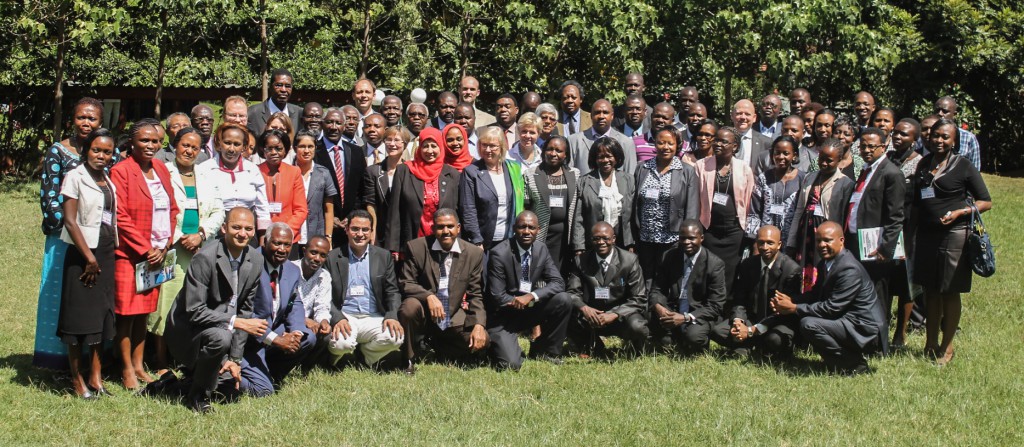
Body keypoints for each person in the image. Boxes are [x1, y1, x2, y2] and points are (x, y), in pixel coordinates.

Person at [162, 207, 270, 413]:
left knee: (229, 391)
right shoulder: (205, 257)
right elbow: (194, 311)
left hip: (220, 330)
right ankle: (197, 397)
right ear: (223, 228)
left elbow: (245, 310)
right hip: (187, 331)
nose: (242, 233)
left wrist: (235, 360)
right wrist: (235, 322)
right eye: (236, 227)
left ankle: (169, 385)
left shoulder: (256, 260)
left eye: (248, 228)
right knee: (221, 338)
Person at [913, 118, 992, 366]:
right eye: (935, 135)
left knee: (949, 290)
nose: (939, 140)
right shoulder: (924, 163)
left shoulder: (963, 165)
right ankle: (930, 343)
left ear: (954, 140)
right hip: (927, 234)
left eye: (945, 137)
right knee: (930, 290)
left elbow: (985, 201)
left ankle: (947, 348)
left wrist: (960, 213)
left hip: (954, 234)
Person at [148, 127, 224, 373]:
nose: (189, 151)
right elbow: (158, 209)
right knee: (165, 302)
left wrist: (201, 234)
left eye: (195, 147)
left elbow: (219, 211)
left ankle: (184, 357)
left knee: (192, 303)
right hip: (171, 248)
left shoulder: (206, 175)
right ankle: (160, 361)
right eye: (185, 145)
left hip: (200, 249)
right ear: (175, 145)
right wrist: (182, 237)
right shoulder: (162, 172)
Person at [111, 119, 180, 389]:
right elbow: (120, 216)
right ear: (132, 142)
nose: (151, 146)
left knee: (144, 313)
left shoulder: (161, 168)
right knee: (127, 314)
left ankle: (140, 366)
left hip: (158, 254)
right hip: (131, 255)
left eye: (155, 141)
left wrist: (164, 246)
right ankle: (126, 368)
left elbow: (173, 208)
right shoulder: (121, 171)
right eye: (145, 141)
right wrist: (145, 248)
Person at [35, 97, 103, 370]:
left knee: (89, 297)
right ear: (72, 120)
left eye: (92, 119)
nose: (86, 123)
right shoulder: (58, 152)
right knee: (60, 295)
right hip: (65, 238)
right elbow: (50, 199)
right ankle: (55, 359)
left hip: (98, 238)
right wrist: (74, 234)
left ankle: (94, 359)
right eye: (81, 117)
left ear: (101, 122)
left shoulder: (106, 151)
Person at [770, 222, 887, 375]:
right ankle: (841, 361)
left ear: (841, 241)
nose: (822, 245)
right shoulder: (825, 263)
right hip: (849, 320)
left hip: (865, 329)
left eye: (827, 240)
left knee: (809, 324)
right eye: (818, 240)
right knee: (808, 320)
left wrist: (794, 308)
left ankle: (854, 364)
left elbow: (832, 308)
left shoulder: (848, 269)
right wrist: (791, 300)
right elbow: (816, 295)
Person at [58, 128, 118, 398]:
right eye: (96, 150)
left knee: (100, 315)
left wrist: (101, 255)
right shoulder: (75, 176)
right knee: (78, 317)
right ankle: (76, 379)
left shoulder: (107, 178)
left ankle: (96, 377)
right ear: (86, 150)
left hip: (105, 251)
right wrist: (89, 258)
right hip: (83, 255)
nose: (101, 156)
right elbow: (70, 221)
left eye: (107, 151)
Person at [397, 209, 488, 373]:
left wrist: (479, 324)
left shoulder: (473, 254)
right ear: (433, 229)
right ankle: (408, 359)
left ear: (458, 228)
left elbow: (476, 294)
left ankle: (441, 347)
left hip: (452, 314)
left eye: (450, 226)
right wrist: (428, 296)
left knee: (482, 341)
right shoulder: (417, 247)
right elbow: (406, 282)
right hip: (424, 312)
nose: (445, 231)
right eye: (440, 227)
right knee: (409, 307)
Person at [485, 212, 573, 370]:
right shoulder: (499, 253)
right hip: (503, 317)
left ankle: (545, 351)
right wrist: (519, 301)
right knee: (511, 365)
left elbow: (558, 282)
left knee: (563, 300)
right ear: (514, 229)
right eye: (522, 227)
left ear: (538, 230)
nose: (526, 231)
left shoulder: (541, 249)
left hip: (527, 309)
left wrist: (531, 296)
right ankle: (495, 346)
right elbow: (497, 296)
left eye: (531, 228)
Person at [845, 127, 905, 340]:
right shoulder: (866, 169)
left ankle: (879, 340)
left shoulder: (891, 173)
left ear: (884, 146)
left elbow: (896, 215)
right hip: (856, 240)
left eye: (872, 146)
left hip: (876, 246)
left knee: (878, 293)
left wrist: (886, 248)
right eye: (863, 146)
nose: (867, 150)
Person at [324, 211, 404, 368]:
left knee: (395, 338)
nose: (360, 234)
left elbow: (392, 291)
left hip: (373, 316)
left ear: (371, 231)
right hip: (346, 316)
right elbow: (324, 296)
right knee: (341, 345)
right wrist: (337, 318)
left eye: (365, 229)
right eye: (355, 229)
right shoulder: (333, 257)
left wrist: (392, 315)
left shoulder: (383, 256)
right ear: (346, 230)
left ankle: (362, 357)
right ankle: (338, 358)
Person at [242, 223, 314, 394]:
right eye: (277, 243)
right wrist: (274, 338)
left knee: (307, 337)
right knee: (263, 392)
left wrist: (296, 331)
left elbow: (294, 302)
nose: (282, 249)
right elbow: (243, 312)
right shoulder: (249, 264)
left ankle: (271, 373)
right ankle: (221, 378)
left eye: (287, 245)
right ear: (265, 242)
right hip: (246, 340)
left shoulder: (292, 270)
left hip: (271, 328)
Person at [713, 225, 803, 358]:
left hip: (777, 322)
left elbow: (783, 312)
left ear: (779, 245)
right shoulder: (747, 265)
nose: (765, 247)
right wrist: (739, 321)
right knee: (717, 331)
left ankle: (754, 344)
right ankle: (748, 345)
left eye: (770, 243)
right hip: (752, 318)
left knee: (775, 339)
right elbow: (740, 298)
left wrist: (750, 331)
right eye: (761, 242)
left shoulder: (791, 270)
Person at [565, 222, 648, 356]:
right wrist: (585, 308)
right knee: (564, 311)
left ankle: (635, 349)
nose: (601, 242)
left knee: (637, 326)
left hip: (620, 316)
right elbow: (572, 293)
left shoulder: (630, 260)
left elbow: (639, 298)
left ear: (613, 239)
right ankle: (594, 347)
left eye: (606, 238)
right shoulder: (580, 261)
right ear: (591, 240)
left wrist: (614, 314)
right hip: (592, 317)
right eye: (596, 238)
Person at [648, 220, 727, 354]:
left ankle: (690, 340)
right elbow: (657, 289)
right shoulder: (669, 256)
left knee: (693, 337)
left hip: (697, 314)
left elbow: (716, 305)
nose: (686, 242)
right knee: (647, 317)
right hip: (673, 309)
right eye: (682, 238)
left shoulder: (714, 264)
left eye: (691, 238)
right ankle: (671, 339)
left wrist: (685, 317)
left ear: (701, 238)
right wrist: (659, 307)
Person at [786, 139, 854, 292]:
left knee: (822, 271)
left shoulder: (845, 183)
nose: (823, 163)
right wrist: (791, 240)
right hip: (806, 234)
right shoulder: (809, 178)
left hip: (825, 234)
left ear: (838, 160)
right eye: (821, 159)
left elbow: (843, 218)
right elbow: (799, 210)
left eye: (829, 161)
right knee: (802, 271)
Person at [633, 127, 700, 279]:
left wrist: (688, 235)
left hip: (672, 236)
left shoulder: (686, 171)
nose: (665, 147)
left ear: (678, 145)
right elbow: (635, 203)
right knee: (646, 274)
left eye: (670, 143)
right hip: (645, 236)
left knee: (668, 275)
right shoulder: (642, 168)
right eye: (661, 143)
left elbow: (692, 207)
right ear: (655, 145)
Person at [695, 127, 755, 291]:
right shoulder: (701, 166)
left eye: (724, 141)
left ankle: (725, 310)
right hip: (709, 230)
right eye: (717, 140)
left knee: (730, 273)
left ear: (734, 146)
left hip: (734, 232)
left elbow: (749, 201)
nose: (718, 144)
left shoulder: (744, 169)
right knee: (708, 271)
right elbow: (696, 199)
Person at [386, 128, 461, 255]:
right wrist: (394, 247)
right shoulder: (404, 171)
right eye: (425, 146)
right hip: (412, 240)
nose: (430, 151)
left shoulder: (452, 174)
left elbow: (458, 210)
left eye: (434, 146)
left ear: (441, 147)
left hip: (444, 241)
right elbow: (395, 212)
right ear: (419, 148)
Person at [198, 123, 271, 237]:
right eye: (227, 143)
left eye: (237, 144)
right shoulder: (204, 169)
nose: (231, 149)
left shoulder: (252, 170)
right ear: (219, 143)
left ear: (244, 146)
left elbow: (262, 207)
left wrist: (263, 236)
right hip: (215, 231)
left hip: (246, 233)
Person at [888, 118, 924, 347]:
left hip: (908, 229)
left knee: (905, 283)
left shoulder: (919, 163)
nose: (898, 137)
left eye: (905, 134)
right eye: (896, 133)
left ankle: (900, 333)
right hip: (885, 226)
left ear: (915, 139)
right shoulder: (888, 158)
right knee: (885, 279)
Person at [459, 126, 525, 250]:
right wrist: (476, 240)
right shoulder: (471, 172)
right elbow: (468, 209)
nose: (488, 149)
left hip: (509, 239)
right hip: (483, 242)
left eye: (493, 146)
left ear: (501, 147)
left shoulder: (513, 169)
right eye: (484, 145)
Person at [524, 136, 581, 269]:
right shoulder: (530, 174)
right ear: (543, 151)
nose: (553, 153)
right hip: (541, 236)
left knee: (561, 273)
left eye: (558, 150)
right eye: (550, 149)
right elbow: (526, 207)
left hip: (565, 238)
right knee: (540, 271)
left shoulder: (575, 174)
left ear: (565, 154)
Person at [572, 138, 636, 252]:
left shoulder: (629, 180)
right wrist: (579, 247)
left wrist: (631, 243)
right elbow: (579, 218)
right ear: (595, 159)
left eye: (609, 156)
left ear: (616, 157)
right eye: (601, 157)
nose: (605, 160)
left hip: (622, 244)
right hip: (594, 244)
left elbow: (632, 217)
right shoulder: (584, 181)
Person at [313, 108, 368, 243]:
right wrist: (331, 218)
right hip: (321, 225)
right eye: (329, 122)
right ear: (322, 124)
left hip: (350, 226)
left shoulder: (356, 152)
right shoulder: (314, 151)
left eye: (338, 123)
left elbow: (361, 189)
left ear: (344, 126)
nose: (333, 127)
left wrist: (352, 216)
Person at [746, 136, 806, 249]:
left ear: (794, 155)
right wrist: (754, 241)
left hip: (792, 241)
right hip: (766, 242)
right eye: (777, 153)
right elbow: (755, 210)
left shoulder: (803, 179)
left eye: (786, 153)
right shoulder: (764, 178)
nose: (781, 157)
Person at [257, 129, 309, 244]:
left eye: (278, 148)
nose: (274, 152)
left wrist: (284, 233)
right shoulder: (255, 172)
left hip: (288, 238)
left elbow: (301, 210)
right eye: (269, 148)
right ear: (262, 150)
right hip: (262, 237)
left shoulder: (294, 172)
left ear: (285, 150)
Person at [292, 130, 337, 256]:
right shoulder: (287, 171)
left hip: (315, 233)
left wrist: (328, 237)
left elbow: (328, 209)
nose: (306, 151)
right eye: (302, 146)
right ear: (295, 148)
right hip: (292, 234)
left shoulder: (323, 173)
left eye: (310, 146)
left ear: (315, 148)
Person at [363, 126, 409, 247]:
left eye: (397, 140)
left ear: (405, 144)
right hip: (380, 228)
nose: (392, 144)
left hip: (403, 229)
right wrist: (373, 229)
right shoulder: (373, 171)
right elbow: (370, 203)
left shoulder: (411, 171)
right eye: (388, 140)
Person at [291, 236, 333, 366]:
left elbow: (322, 305)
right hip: (289, 319)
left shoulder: (324, 276)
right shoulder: (290, 269)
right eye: (313, 252)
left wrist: (324, 321)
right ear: (304, 251)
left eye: (322, 255)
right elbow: (285, 305)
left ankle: (306, 366)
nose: (317, 259)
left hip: (310, 322)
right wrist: (303, 319)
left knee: (325, 334)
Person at [566, 99, 638, 175]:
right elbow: (570, 175)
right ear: (591, 116)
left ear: (612, 116)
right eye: (597, 113)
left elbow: (630, 177)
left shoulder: (626, 143)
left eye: (605, 113)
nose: (601, 116)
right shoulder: (573, 141)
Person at [247, 68, 302, 136]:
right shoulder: (253, 113)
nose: (283, 90)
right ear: (270, 87)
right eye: (279, 85)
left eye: (288, 86)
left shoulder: (299, 113)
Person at [933, 96, 981, 170]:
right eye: (937, 110)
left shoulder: (968, 138)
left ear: (954, 114)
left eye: (945, 111)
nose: (940, 113)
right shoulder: (925, 135)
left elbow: (975, 169)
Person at [730, 99, 772, 173]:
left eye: (747, 114)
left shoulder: (766, 143)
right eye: (739, 113)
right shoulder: (722, 139)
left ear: (754, 118)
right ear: (732, 116)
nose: (743, 117)